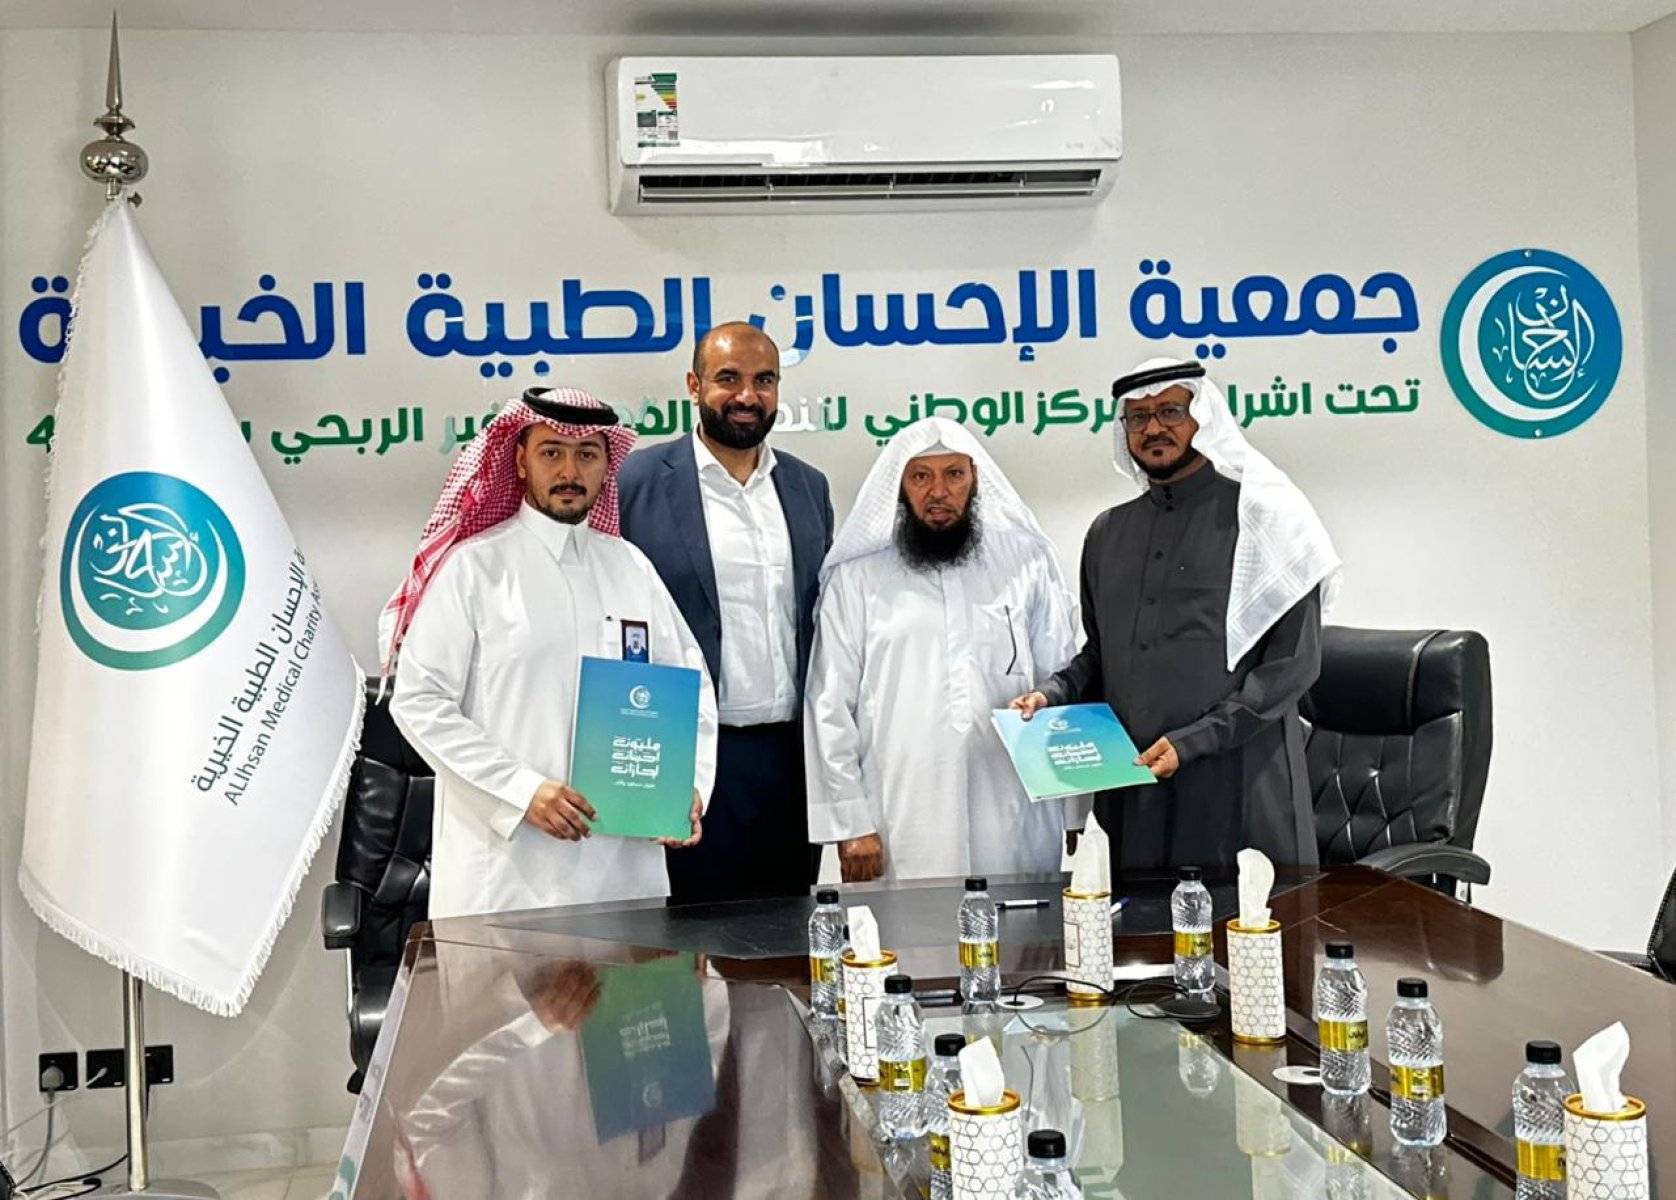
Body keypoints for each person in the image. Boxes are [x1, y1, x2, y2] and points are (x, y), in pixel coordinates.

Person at [382, 387, 718, 919]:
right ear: (520, 460)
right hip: (508, 872)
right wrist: (521, 791)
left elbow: (688, 688)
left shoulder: (632, 568)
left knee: (635, 974)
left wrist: (687, 785)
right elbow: (418, 702)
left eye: (587, 454)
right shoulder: (473, 570)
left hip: (622, 872)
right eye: (551, 452)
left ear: (607, 465)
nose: (570, 471)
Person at [1013, 357, 1340, 869]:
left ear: (1203, 417)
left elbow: (1291, 666)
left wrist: (1195, 741)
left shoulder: (1268, 519)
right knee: (1134, 921)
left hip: (1240, 787)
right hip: (1135, 791)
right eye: (1138, 417)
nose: (1153, 428)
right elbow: (1101, 654)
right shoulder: (1107, 534)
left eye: (1170, 411)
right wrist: (1053, 694)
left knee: (1250, 922)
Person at [804, 417, 1081, 882]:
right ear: (899, 486)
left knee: (1019, 921)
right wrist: (850, 823)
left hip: (1014, 806)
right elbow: (829, 705)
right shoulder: (857, 577)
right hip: (899, 813)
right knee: (908, 926)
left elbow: (1061, 677)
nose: (938, 491)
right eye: (921, 476)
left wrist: (1071, 804)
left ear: (975, 478)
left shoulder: (1026, 562)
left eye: (954, 474)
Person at [618, 323, 834, 903]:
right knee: (692, 938)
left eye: (764, 381)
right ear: (694, 386)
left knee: (787, 933)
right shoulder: (635, 483)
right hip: (688, 758)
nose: (747, 396)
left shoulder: (808, 487)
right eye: (728, 379)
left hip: (791, 761)